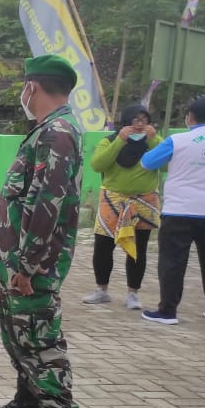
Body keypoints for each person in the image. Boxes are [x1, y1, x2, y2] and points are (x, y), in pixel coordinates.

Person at [0, 54, 83, 408]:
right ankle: (27, 404)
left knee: (41, 344)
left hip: (31, 267)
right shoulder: (48, 130)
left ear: (33, 87)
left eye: (24, 85)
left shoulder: (57, 133)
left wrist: (28, 265)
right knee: (18, 336)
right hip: (18, 264)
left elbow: (47, 205)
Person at [139, 94, 205, 325]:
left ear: (191, 117)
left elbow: (147, 162)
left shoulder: (178, 140)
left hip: (179, 210)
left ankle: (167, 311)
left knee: (173, 262)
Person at [82, 104, 164, 310]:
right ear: (126, 121)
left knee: (138, 249)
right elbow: (97, 164)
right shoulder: (109, 141)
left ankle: (133, 293)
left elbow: (167, 164)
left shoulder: (155, 142)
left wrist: (153, 139)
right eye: (135, 120)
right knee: (103, 246)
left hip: (144, 201)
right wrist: (120, 141)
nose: (139, 124)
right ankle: (101, 290)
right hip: (112, 200)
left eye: (144, 120)